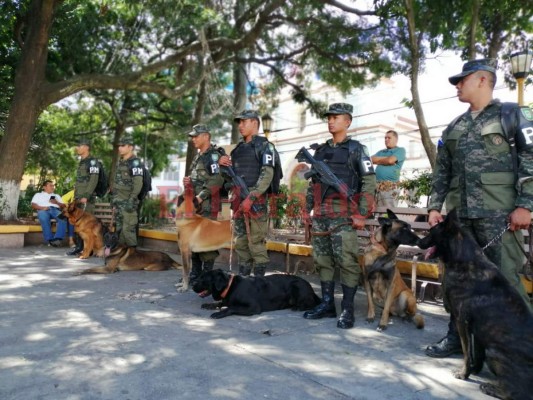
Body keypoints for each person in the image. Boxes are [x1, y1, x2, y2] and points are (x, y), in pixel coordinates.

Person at [425, 58, 533, 358]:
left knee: (506, 282)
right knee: (457, 281)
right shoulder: (455, 126)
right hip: (460, 220)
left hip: (500, 216)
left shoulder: (513, 115)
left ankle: (521, 351)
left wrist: (526, 205)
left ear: (483, 80)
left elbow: (531, 157)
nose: (458, 85)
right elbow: (442, 171)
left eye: (463, 79)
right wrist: (435, 207)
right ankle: (457, 339)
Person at [302, 103, 376, 329]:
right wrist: (307, 209)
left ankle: (347, 309)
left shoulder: (357, 149)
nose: (331, 121)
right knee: (322, 260)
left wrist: (362, 213)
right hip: (322, 212)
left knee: (347, 262)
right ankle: (327, 304)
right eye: (329, 118)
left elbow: (369, 182)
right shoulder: (321, 151)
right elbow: (314, 183)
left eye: (336, 117)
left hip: (344, 213)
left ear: (348, 121)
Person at [218, 110, 276, 277]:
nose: (240, 126)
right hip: (238, 201)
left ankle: (259, 284)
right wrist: (222, 165)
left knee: (256, 242)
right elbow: (228, 179)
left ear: (255, 123)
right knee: (241, 242)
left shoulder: (265, 147)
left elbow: (267, 175)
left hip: (255, 201)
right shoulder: (237, 150)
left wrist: (251, 197)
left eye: (244, 122)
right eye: (239, 122)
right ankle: (244, 281)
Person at [183, 124, 225, 283]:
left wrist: (200, 197)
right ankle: (195, 273)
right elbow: (197, 178)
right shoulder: (197, 156)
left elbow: (217, 180)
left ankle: (207, 276)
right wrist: (188, 182)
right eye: (192, 136)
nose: (193, 139)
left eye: (196, 136)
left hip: (207, 206)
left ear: (206, 136)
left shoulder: (213, 156)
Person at [67, 138, 101, 256]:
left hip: (87, 198)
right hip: (78, 199)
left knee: (86, 226)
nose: (77, 148)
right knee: (78, 224)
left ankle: (87, 250)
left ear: (86, 147)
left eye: (79, 145)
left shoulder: (92, 162)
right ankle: (79, 247)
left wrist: (86, 195)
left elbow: (93, 179)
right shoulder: (82, 162)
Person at [112, 136, 144, 249]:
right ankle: (122, 256)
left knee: (128, 229)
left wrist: (132, 199)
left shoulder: (135, 163)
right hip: (119, 201)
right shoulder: (121, 162)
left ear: (130, 147)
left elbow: (138, 183)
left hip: (128, 201)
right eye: (119, 146)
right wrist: (114, 201)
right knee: (120, 229)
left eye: (123, 145)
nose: (120, 148)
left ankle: (133, 256)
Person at [371, 130, 405, 209]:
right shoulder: (381, 151)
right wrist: (387, 159)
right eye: (385, 138)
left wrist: (379, 161)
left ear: (396, 140)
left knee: (388, 212)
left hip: (390, 188)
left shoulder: (400, 150)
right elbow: (370, 160)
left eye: (389, 138)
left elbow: (391, 160)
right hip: (377, 187)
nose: (386, 140)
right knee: (377, 212)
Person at [31, 180, 68, 247]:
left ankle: (57, 239)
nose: (53, 187)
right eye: (50, 185)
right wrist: (42, 208)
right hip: (43, 210)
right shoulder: (38, 195)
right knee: (43, 218)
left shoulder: (56, 195)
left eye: (53, 186)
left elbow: (64, 206)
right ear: (44, 187)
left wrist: (56, 202)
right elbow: (33, 205)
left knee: (63, 217)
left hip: (55, 210)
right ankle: (50, 240)